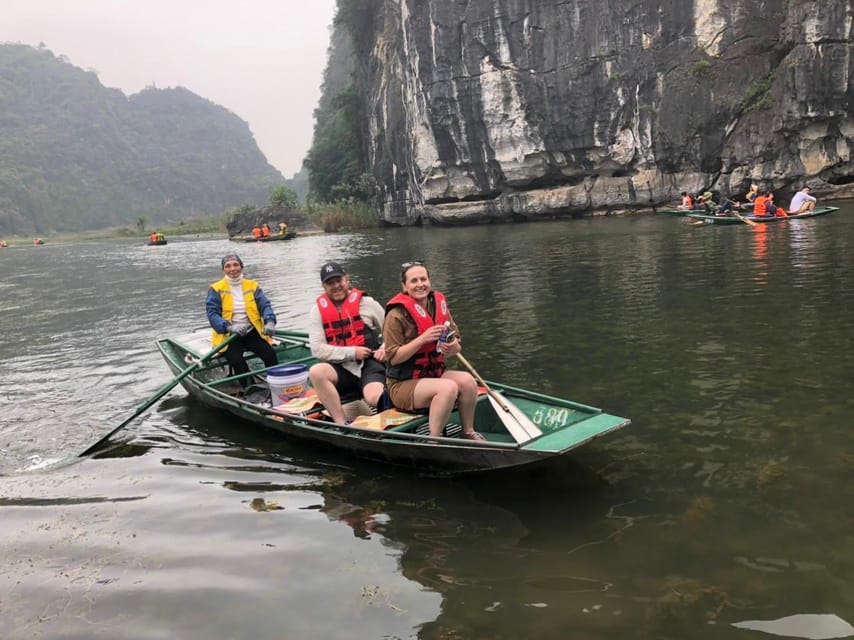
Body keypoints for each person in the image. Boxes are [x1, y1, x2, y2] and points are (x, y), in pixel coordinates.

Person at [382, 261, 482, 440]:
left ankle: (467, 432)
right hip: (403, 384)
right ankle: (434, 440)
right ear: (404, 286)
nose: (420, 284)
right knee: (448, 388)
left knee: (468, 382)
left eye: (423, 279)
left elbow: (456, 341)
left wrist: (453, 346)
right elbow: (393, 358)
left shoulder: (438, 305)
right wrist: (422, 339)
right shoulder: (395, 315)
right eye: (413, 281)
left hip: (434, 374)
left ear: (429, 281)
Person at [308, 262, 387, 424]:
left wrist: (385, 347)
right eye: (330, 283)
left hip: (369, 365)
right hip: (340, 370)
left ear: (347, 280)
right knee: (316, 372)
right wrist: (352, 352)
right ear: (324, 286)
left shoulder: (368, 303)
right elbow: (317, 349)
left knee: (373, 397)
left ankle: (391, 425)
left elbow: (392, 331)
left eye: (339, 281)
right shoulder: (317, 311)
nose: (336, 286)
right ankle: (341, 424)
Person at [205, 253, 278, 387]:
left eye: (235, 265)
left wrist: (270, 321)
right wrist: (229, 327)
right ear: (223, 270)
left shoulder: (253, 285)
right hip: (229, 334)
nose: (232, 269)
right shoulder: (215, 288)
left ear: (242, 267)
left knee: (270, 354)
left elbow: (265, 305)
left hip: (251, 331)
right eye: (228, 266)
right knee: (236, 360)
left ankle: (276, 384)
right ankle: (249, 389)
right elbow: (212, 314)